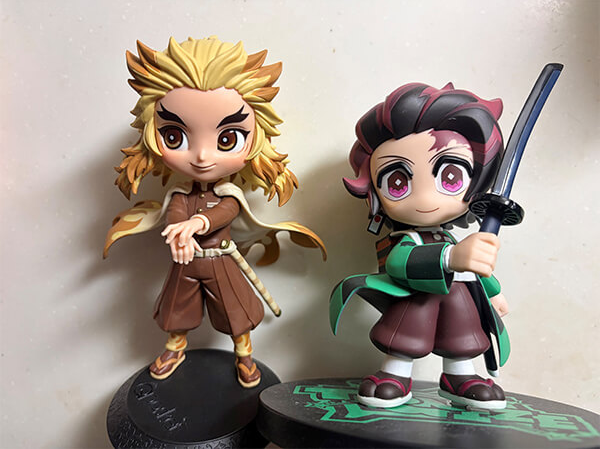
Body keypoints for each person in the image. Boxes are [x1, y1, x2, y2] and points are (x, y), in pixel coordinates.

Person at [104, 36, 326, 387]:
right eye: (175, 137)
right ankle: (175, 348)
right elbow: (175, 213)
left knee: (235, 312)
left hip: (221, 262)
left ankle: (244, 355)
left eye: (226, 140)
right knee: (176, 310)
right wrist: (178, 232)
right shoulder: (179, 194)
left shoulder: (229, 194)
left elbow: (225, 212)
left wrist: (196, 223)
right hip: (186, 264)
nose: (202, 157)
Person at [330, 82, 510, 409]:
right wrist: (452, 256)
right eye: (397, 182)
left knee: (463, 328)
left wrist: (493, 292)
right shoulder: (408, 239)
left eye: (451, 177)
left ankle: (459, 376)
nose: (425, 199)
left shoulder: (451, 238)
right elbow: (398, 263)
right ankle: (395, 373)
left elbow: (477, 273)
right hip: (415, 301)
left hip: (457, 301)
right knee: (410, 324)